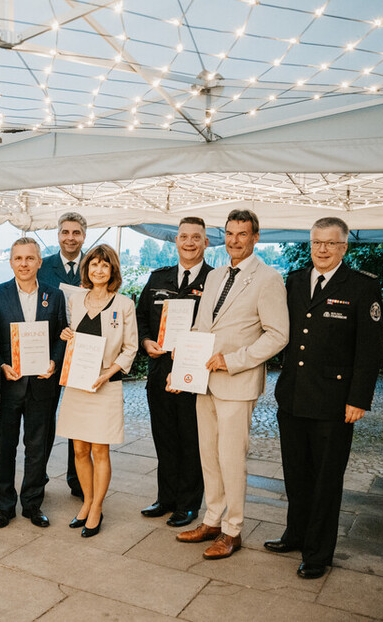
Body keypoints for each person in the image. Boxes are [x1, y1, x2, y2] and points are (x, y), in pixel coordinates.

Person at [265, 217, 383, 579]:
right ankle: (296, 534)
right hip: (294, 397)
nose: (322, 249)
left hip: (333, 403)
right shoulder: (296, 280)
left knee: (325, 480)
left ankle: (318, 553)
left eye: (330, 243)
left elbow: (369, 349)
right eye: (317, 242)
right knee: (296, 474)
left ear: (344, 247)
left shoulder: (362, 286)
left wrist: (358, 399)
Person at [170, 209, 288, 560]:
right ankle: (212, 519)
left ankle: (233, 530)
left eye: (242, 234)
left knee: (231, 459)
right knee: (208, 456)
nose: (235, 240)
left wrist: (232, 361)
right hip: (203, 381)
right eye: (230, 233)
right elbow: (204, 327)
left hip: (236, 382)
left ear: (255, 237)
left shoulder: (268, 279)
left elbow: (278, 335)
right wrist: (183, 362)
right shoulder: (217, 275)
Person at [135, 217, 213, 528]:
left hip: (195, 375)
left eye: (196, 237)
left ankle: (188, 504)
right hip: (160, 371)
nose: (190, 242)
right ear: (176, 241)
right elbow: (140, 316)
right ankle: (165, 498)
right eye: (184, 237)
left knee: (191, 440)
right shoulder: (158, 278)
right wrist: (145, 341)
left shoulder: (216, 280)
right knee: (164, 438)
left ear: (206, 242)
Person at [56, 244, 138, 537]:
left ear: (112, 269)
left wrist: (108, 374)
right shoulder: (76, 300)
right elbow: (70, 334)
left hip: (105, 385)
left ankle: (98, 507)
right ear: (87, 269)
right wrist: (66, 333)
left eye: (104, 265)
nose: (98, 270)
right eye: (93, 265)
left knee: (100, 450)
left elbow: (131, 348)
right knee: (79, 449)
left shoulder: (124, 304)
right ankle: (87, 501)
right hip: (78, 385)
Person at [0, 237, 67, 529]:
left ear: (39, 262)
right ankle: (4, 506)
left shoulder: (54, 295)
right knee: (4, 448)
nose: (24, 264)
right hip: (8, 385)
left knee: (37, 449)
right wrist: (1, 366)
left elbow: (61, 334)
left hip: (43, 385)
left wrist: (55, 363)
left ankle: (32, 503)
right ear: (10, 262)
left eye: (29, 258)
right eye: (18, 258)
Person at [38, 212, 87, 499]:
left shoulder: (95, 266)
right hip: (48, 353)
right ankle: (38, 477)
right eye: (65, 232)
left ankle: (77, 479)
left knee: (78, 418)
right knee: (44, 419)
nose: (70, 237)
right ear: (58, 234)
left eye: (76, 232)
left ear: (84, 236)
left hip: (84, 353)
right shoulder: (43, 266)